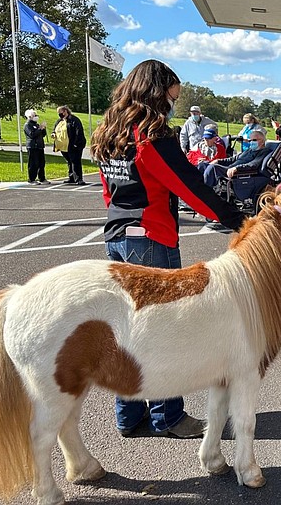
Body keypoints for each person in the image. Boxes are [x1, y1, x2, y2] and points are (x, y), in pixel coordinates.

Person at [90, 59, 244, 439]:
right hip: (151, 236)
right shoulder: (151, 134)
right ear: (157, 92)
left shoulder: (110, 130)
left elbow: (108, 189)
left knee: (126, 330)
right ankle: (169, 415)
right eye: (171, 96)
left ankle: (128, 414)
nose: (172, 104)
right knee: (163, 331)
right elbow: (188, 185)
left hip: (117, 235)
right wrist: (236, 219)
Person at [203, 129, 274, 188]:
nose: (251, 142)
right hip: (229, 168)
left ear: (262, 141)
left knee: (213, 168)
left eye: (254, 140)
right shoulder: (249, 150)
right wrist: (218, 161)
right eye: (250, 140)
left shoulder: (264, 151)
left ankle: (205, 191)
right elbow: (233, 159)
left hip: (238, 171)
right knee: (203, 164)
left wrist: (236, 168)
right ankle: (197, 187)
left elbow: (253, 165)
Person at [52, 106, 87, 185]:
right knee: (69, 161)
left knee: (75, 161)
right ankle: (71, 177)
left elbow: (79, 132)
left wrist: (76, 143)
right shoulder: (59, 121)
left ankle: (78, 179)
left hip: (74, 145)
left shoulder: (74, 120)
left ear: (65, 111)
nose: (59, 114)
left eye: (60, 113)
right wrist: (53, 133)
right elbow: (54, 129)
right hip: (64, 146)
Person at [23, 109, 49, 185]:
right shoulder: (27, 125)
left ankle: (42, 178)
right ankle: (31, 179)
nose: (36, 117)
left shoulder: (36, 125)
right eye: (34, 115)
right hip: (32, 146)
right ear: (29, 116)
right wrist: (39, 129)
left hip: (40, 146)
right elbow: (32, 135)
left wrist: (43, 128)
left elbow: (43, 134)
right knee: (33, 163)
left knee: (41, 163)